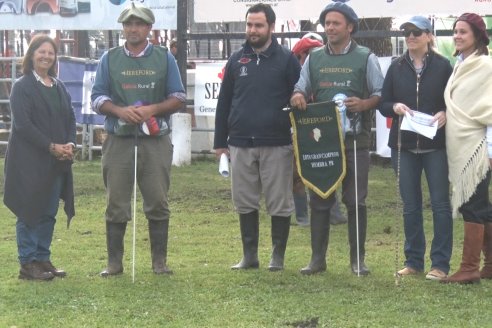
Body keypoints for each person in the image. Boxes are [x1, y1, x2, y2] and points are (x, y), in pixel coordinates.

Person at [91, 3, 186, 276]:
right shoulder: (108, 59)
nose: (133, 29)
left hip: (155, 139)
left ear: (148, 28)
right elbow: (97, 98)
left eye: (139, 24)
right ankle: (114, 263)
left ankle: (159, 262)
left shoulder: (164, 57)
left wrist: (151, 110)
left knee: (157, 200)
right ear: (123, 28)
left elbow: (178, 97)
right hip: (118, 139)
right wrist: (120, 110)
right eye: (128, 24)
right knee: (116, 201)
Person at [290, 2, 384, 275]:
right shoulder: (314, 58)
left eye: (335, 23)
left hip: (356, 140)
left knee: (356, 200)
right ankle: (317, 260)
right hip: (323, 142)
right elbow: (300, 88)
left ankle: (358, 261)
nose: (330, 28)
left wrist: (365, 104)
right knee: (319, 197)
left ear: (350, 27)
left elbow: (380, 94)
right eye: (327, 23)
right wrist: (297, 96)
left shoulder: (366, 57)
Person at [214, 3, 301, 271]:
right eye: (249, 25)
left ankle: (278, 256)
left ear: (271, 27)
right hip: (240, 143)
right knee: (244, 200)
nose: (253, 30)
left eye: (259, 25)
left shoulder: (286, 60)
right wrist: (220, 143)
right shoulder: (236, 59)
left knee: (279, 201)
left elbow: (299, 96)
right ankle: (249, 256)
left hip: (277, 143)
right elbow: (224, 101)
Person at [379, 16, 453, 281]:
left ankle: (441, 264)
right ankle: (413, 261)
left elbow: (453, 101)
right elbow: (383, 103)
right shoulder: (396, 67)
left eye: (416, 32)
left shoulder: (444, 66)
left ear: (429, 36)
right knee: (410, 206)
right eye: (406, 32)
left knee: (440, 204)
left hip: (435, 146)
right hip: (404, 145)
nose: (410, 37)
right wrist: (395, 107)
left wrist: (445, 112)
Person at [4, 35, 76, 281]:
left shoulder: (59, 86)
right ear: (32, 54)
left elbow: (70, 117)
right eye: (41, 51)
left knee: (48, 211)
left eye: (51, 52)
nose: (46, 56)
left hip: (56, 162)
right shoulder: (22, 86)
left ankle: (42, 258)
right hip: (28, 163)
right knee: (29, 210)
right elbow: (23, 126)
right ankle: (27, 264)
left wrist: (69, 143)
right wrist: (50, 146)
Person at [440, 13, 492, 284]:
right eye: (456, 31)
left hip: (479, 147)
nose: (458, 36)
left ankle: (469, 267)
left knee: (473, 204)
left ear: (477, 36)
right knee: (481, 205)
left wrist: (491, 151)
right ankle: (491, 264)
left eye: (463, 32)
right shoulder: (460, 64)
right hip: (460, 143)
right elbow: (457, 103)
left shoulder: (485, 65)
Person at [290, 33, 347, 227]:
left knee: (327, 167)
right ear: (299, 55)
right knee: (296, 173)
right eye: (307, 52)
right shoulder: (292, 74)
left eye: (315, 51)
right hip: (295, 131)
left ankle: (334, 212)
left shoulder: (327, 73)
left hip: (321, 131)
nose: (311, 56)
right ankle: (302, 215)